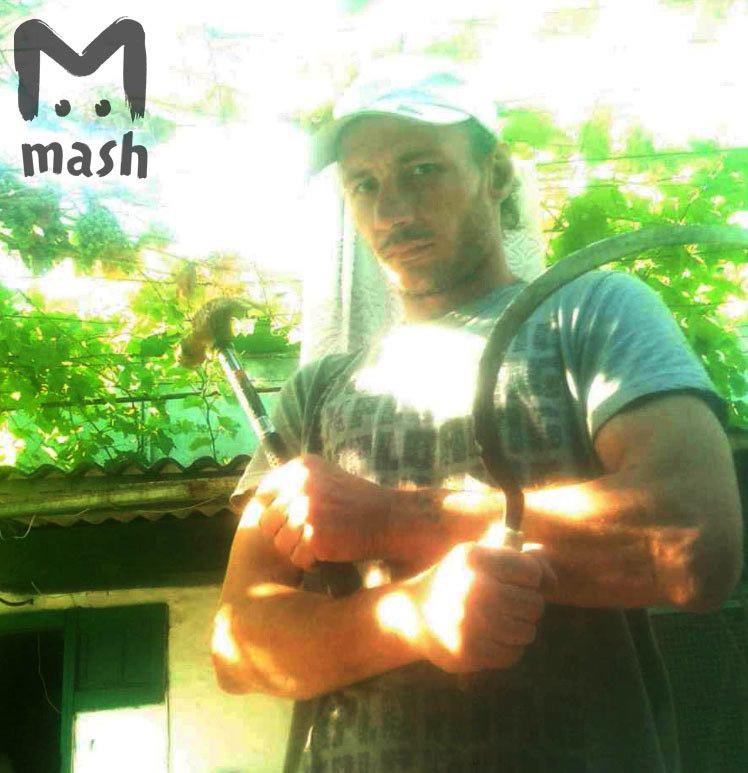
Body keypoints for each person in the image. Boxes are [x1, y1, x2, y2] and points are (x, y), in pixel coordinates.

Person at [211, 59, 743, 772]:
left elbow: (694, 543)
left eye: (422, 170)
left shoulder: (591, 312)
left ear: (495, 173)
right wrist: (412, 619)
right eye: (364, 184)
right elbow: (238, 645)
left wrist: (390, 518)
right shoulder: (317, 390)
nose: (391, 211)